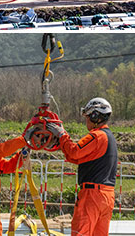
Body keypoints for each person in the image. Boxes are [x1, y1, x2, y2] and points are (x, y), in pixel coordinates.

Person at [46, 98, 117, 236]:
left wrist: (62, 135)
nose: (86, 121)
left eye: (88, 117)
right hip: (107, 196)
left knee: (81, 232)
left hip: (92, 195)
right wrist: (62, 145)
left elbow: (74, 151)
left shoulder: (96, 136)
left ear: (95, 116)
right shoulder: (109, 137)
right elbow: (77, 158)